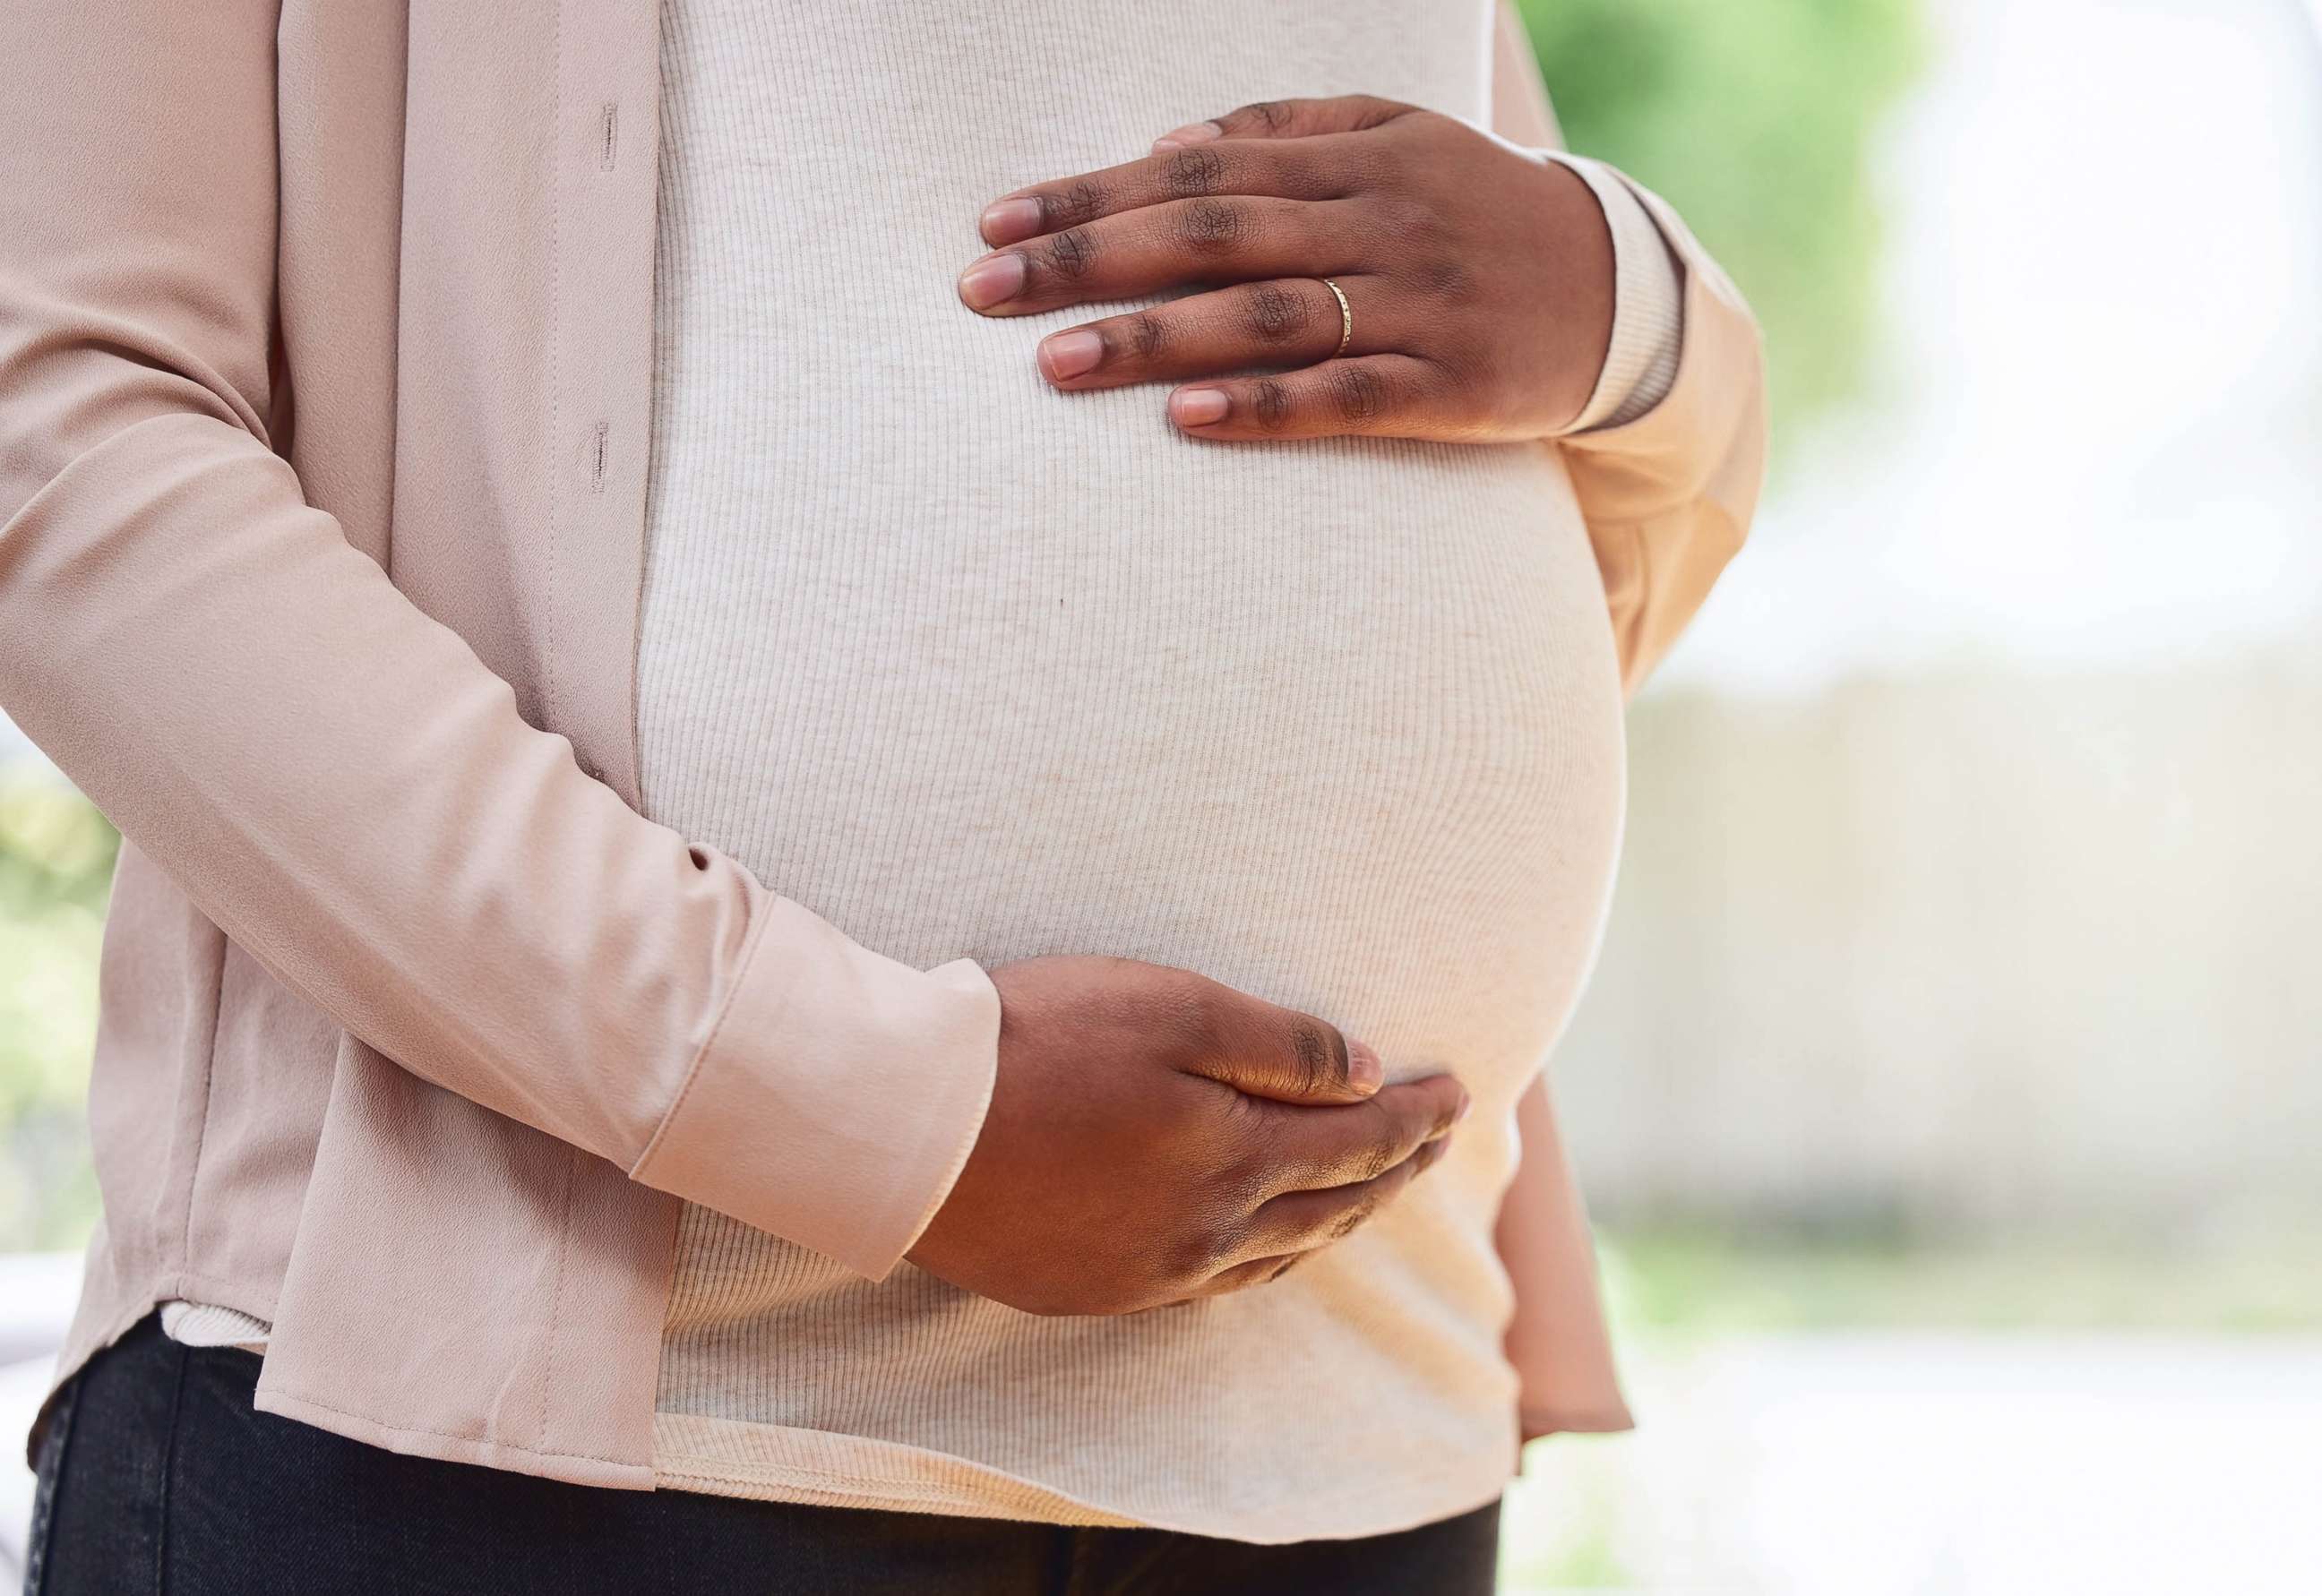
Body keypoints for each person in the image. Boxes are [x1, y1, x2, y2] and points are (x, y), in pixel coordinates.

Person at [0, 0, 1764, 1590]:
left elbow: (1548, 476)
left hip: (1347, 1429)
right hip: (526, 1468)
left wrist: (1644, 317)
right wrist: (867, 1108)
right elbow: (63, 433)